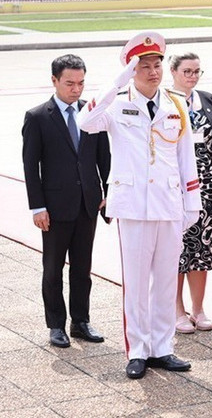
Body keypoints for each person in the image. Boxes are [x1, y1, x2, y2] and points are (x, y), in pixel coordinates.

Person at [76, 31, 200, 380]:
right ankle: (138, 349)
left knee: (164, 280)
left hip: (168, 203)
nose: (153, 71)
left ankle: (163, 347)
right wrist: (117, 81)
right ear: (131, 70)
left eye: (157, 64)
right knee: (135, 281)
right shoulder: (115, 102)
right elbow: (85, 122)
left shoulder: (175, 104)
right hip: (132, 205)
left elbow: (185, 157)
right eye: (144, 66)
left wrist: (193, 203)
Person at [22, 54, 111, 349]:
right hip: (55, 208)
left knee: (82, 268)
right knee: (53, 268)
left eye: (81, 83)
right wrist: (38, 207)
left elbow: (104, 158)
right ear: (55, 81)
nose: (76, 89)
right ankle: (56, 325)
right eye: (70, 83)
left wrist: (108, 195)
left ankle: (81, 321)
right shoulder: (37, 117)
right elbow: (30, 166)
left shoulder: (92, 113)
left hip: (88, 203)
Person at [168, 52, 212, 334]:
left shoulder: (208, 100)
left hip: (209, 185)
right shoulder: (165, 102)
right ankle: (176, 309)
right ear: (173, 72)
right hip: (179, 186)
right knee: (178, 251)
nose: (192, 77)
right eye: (187, 71)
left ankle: (198, 307)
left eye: (197, 71)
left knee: (203, 250)